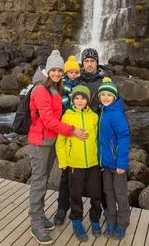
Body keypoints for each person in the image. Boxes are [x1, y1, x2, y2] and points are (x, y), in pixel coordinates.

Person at [28, 50, 89, 245]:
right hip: (40, 143)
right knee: (38, 182)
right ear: (47, 70)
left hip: (51, 141)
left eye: (59, 70)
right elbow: (48, 120)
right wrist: (71, 131)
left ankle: (40, 217)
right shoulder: (40, 90)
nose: (56, 73)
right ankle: (36, 223)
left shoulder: (56, 88)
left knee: (43, 180)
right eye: (53, 70)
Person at [54, 47, 108, 226]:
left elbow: (113, 101)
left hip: (94, 128)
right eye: (86, 61)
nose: (90, 64)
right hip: (73, 128)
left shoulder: (104, 80)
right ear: (82, 64)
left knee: (97, 177)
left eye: (93, 61)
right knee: (66, 175)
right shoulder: (75, 79)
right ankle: (62, 207)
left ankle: (104, 211)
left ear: (97, 62)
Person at [55, 85, 102, 241]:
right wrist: (63, 161)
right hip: (75, 163)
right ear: (72, 100)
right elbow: (60, 141)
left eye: (83, 98)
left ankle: (95, 220)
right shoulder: (67, 116)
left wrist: (101, 158)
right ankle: (76, 220)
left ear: (88, 100)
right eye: (76, 98)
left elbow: (98, 139)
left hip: (94, 163)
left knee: (96, 193)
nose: (80, 101)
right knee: (75, 194)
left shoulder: (94, 116)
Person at [97, 78, 130, 239]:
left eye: (109, 95)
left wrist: (122, 163)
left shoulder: (116, 114)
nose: (105, 97)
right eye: (102, 94)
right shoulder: (102, 111)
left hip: (117, 164)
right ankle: (111, 220)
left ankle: (122, 223)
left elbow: (124, 138)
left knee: (121, 194)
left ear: (114, 97)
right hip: (105, 164)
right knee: (108, 193)